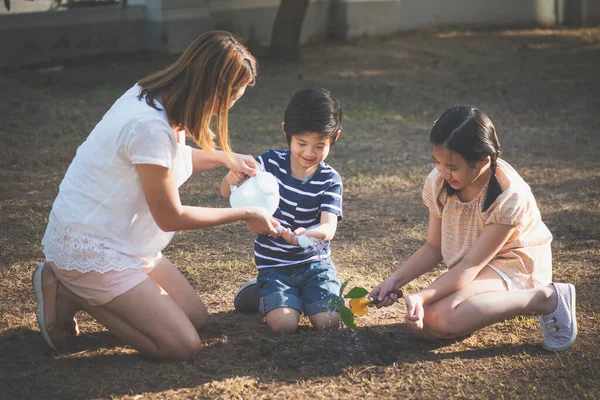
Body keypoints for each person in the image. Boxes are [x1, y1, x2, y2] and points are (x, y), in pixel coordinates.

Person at [32, 31, 281, 361]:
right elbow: (171, 216)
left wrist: (225, 157)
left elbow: (167, 161)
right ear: (212, 88)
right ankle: (72, 288)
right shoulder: (149, 125)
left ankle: (77, 291)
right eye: (232, 96)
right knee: (182, 345)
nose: (232, 105)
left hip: (125, 239)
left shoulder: (157, 96)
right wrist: (244, 213)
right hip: (89, 245)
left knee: (196, 317)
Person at [370, 105, 577, 352]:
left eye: (453, 167)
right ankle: (481, 305)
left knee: (439, 318)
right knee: (422, 326)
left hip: (513, 264)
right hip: (473, 265)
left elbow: (471, 265)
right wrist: (394, 281)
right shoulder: (439, 181)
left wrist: (423, 295)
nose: (443, 172)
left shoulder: (509, 195)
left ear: (483, 160)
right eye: (438, 162)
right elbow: (433, 247)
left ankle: (547, 297)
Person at [221, 88, 344, 333]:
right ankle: (264, 293)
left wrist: (306, 235)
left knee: (329, 322)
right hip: (275, 264)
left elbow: (328, 228)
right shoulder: (269, 164)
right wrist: (231, 177)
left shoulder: (330, 180)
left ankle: (294, 295)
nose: (309, 153)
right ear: (286, 130)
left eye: (319, 145)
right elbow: (227, 193)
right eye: (301, 143)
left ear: (335, 138)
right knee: (284, 325)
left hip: (314, 264)